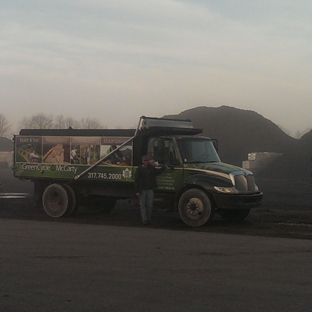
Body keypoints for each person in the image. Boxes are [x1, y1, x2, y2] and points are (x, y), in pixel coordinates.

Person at [134, 155, 166, 225]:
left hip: (150, 189)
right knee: (142, 205)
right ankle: (144, 220)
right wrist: (137, 191)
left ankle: (149, 219)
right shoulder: (139, 169)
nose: (146, 162)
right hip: (142, 190)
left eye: (147, 160)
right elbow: (136, 180)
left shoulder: (151, 168)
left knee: (150, 205)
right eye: (144, 160)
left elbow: (157, 172)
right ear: (142, 161)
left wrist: (164, 167)